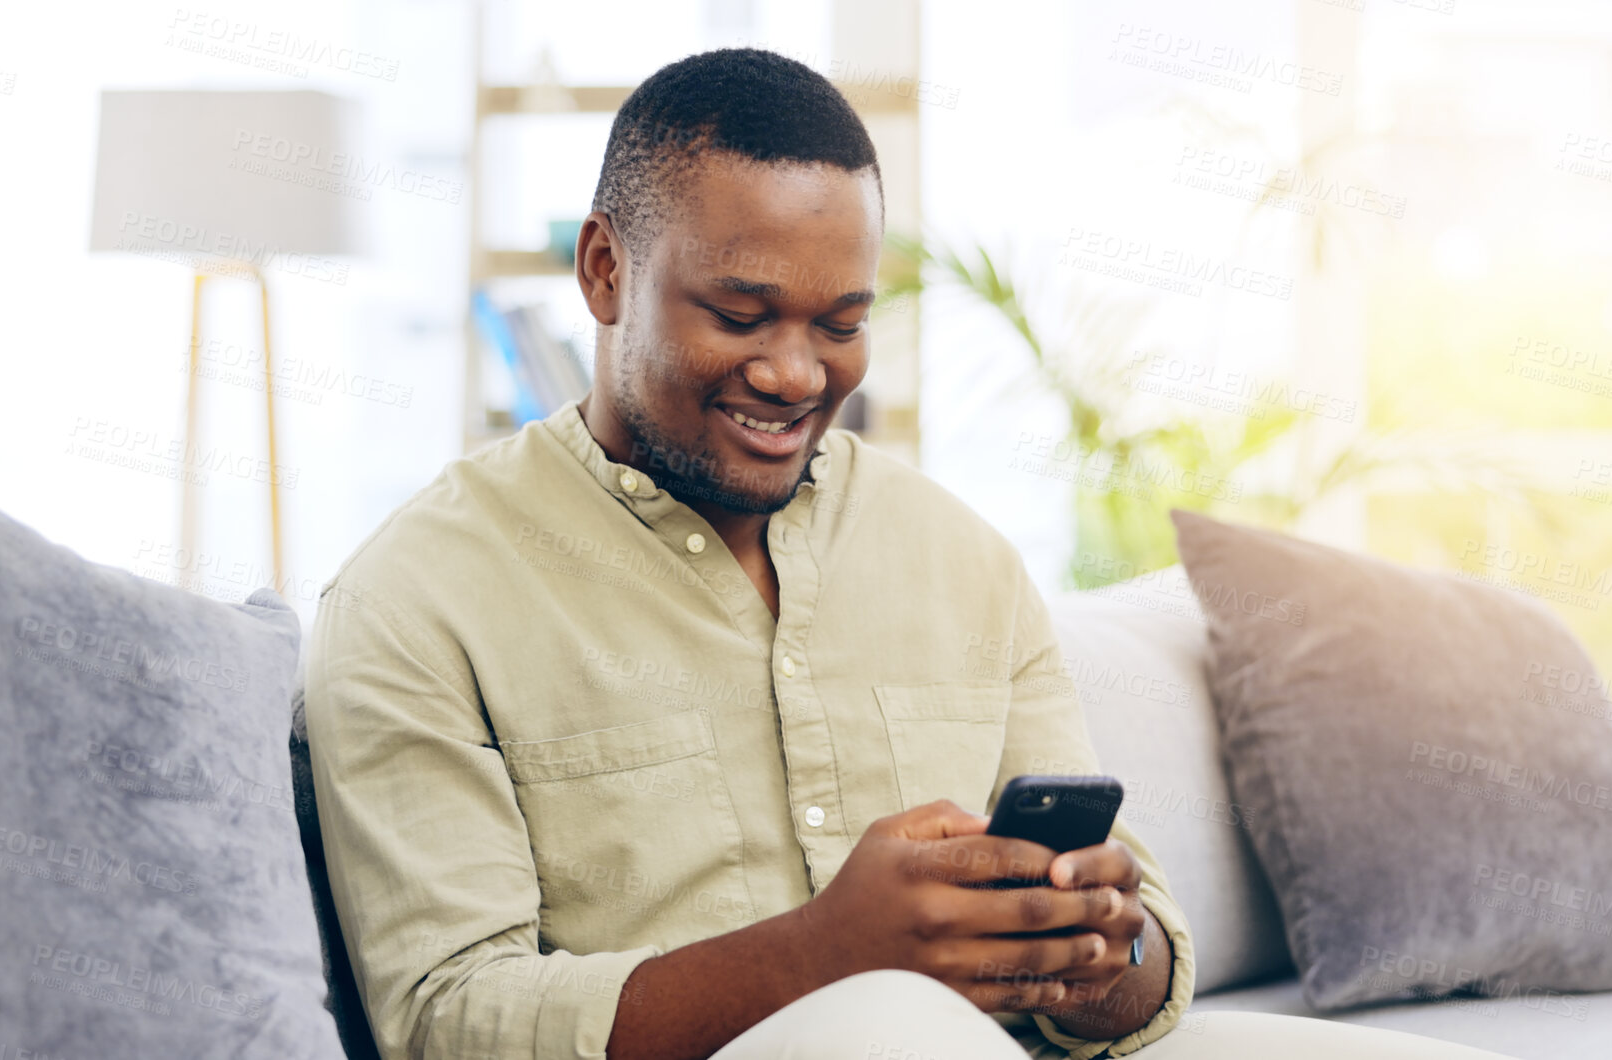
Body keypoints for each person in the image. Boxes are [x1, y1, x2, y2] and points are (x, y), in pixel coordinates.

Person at [304, 48, 1513, 1060]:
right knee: (887, 1018)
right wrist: (825, 955)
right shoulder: (420, 596)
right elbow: (444, 1019)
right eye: (740, 315)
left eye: (841, 323)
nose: (794, 373)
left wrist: (1101, 950)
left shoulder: (960, 558)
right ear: (604, 270)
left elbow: (1143, 957)